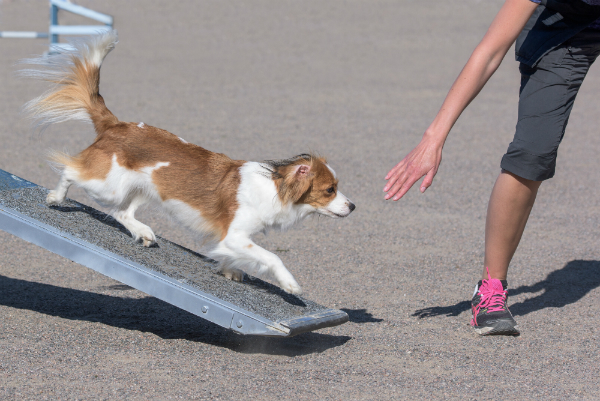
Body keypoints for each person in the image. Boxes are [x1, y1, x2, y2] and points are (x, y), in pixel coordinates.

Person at [383, 0, 600, 335]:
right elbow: (489, 53)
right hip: (560, 36)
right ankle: (491, 290)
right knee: (532, 154)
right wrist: (434, 138)